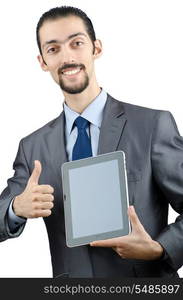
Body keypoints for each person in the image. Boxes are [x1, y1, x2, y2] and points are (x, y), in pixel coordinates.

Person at [0, 5, 183, 278]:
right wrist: (16, 208)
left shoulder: (153, 126)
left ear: (96, 48)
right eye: (53, 49)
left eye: (77, 43)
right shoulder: (33, 147)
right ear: (42, 62)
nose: (67, 57)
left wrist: (159, 248)